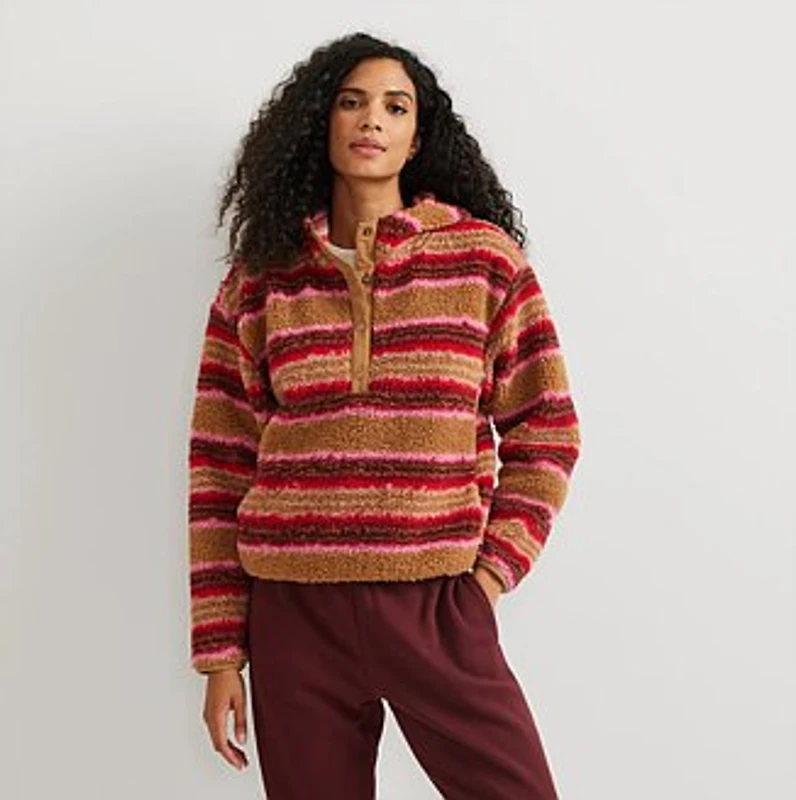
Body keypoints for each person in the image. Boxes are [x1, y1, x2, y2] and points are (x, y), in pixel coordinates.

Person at [187, 31, 582, 799]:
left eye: (396, 107)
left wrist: (488, 575)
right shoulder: (261, 281)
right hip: (293, 611)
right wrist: (221, 652)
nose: (372, 119)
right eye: (352, 102)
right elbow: (219, 466)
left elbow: (547, 428)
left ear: (417, 137)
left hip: (434, 601)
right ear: (321, 122)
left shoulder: (483, 263)